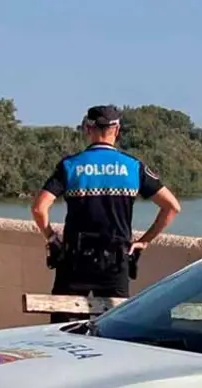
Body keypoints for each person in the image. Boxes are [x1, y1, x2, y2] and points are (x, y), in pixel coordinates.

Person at [30, 105, 181, 323]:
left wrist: (52, 238)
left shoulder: (70, 166)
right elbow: (172, 207)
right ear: (117, 130)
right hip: (115, 261)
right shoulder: (133, 167)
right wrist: (144, 241)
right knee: (114, 329)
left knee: (63, 330)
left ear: (87, 129)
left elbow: (39, 208)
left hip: (74, 261)